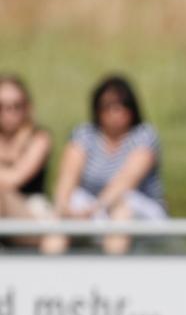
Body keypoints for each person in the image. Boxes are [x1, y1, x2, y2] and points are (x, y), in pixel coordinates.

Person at [52, 75, 166, 255]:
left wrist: (94, 210)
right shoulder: (84, 134)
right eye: (107, 106)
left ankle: (112, 276)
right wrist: (65, 209)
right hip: (94, 208)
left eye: (122, 105)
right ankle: (49, 271)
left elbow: (125, 183)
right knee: (62, 214)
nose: (115, 112)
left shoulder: (144, 135)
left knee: (122, 208)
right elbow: (67, 179)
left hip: (136, 210)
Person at [0, 75, 56, 252]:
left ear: (27, 108)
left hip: (32, 214)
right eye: (2, 107)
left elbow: (14, 180)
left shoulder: (39, 138)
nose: (9, 113)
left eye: (16, 106)